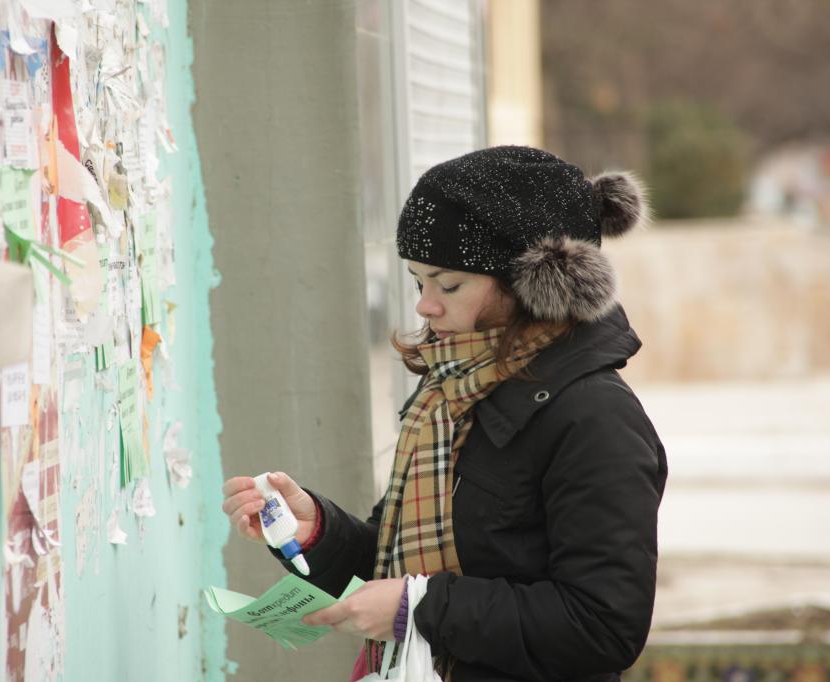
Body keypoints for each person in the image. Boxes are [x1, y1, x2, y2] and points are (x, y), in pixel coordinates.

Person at [223, 146, 668, 681]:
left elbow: (602, 625)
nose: (425, 306)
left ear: (528, 286)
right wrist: (317, 532)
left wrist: (423, 607)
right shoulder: (451, 391)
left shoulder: (595, 418)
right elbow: (398, 564)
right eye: (418, 282)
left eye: (448, 284)